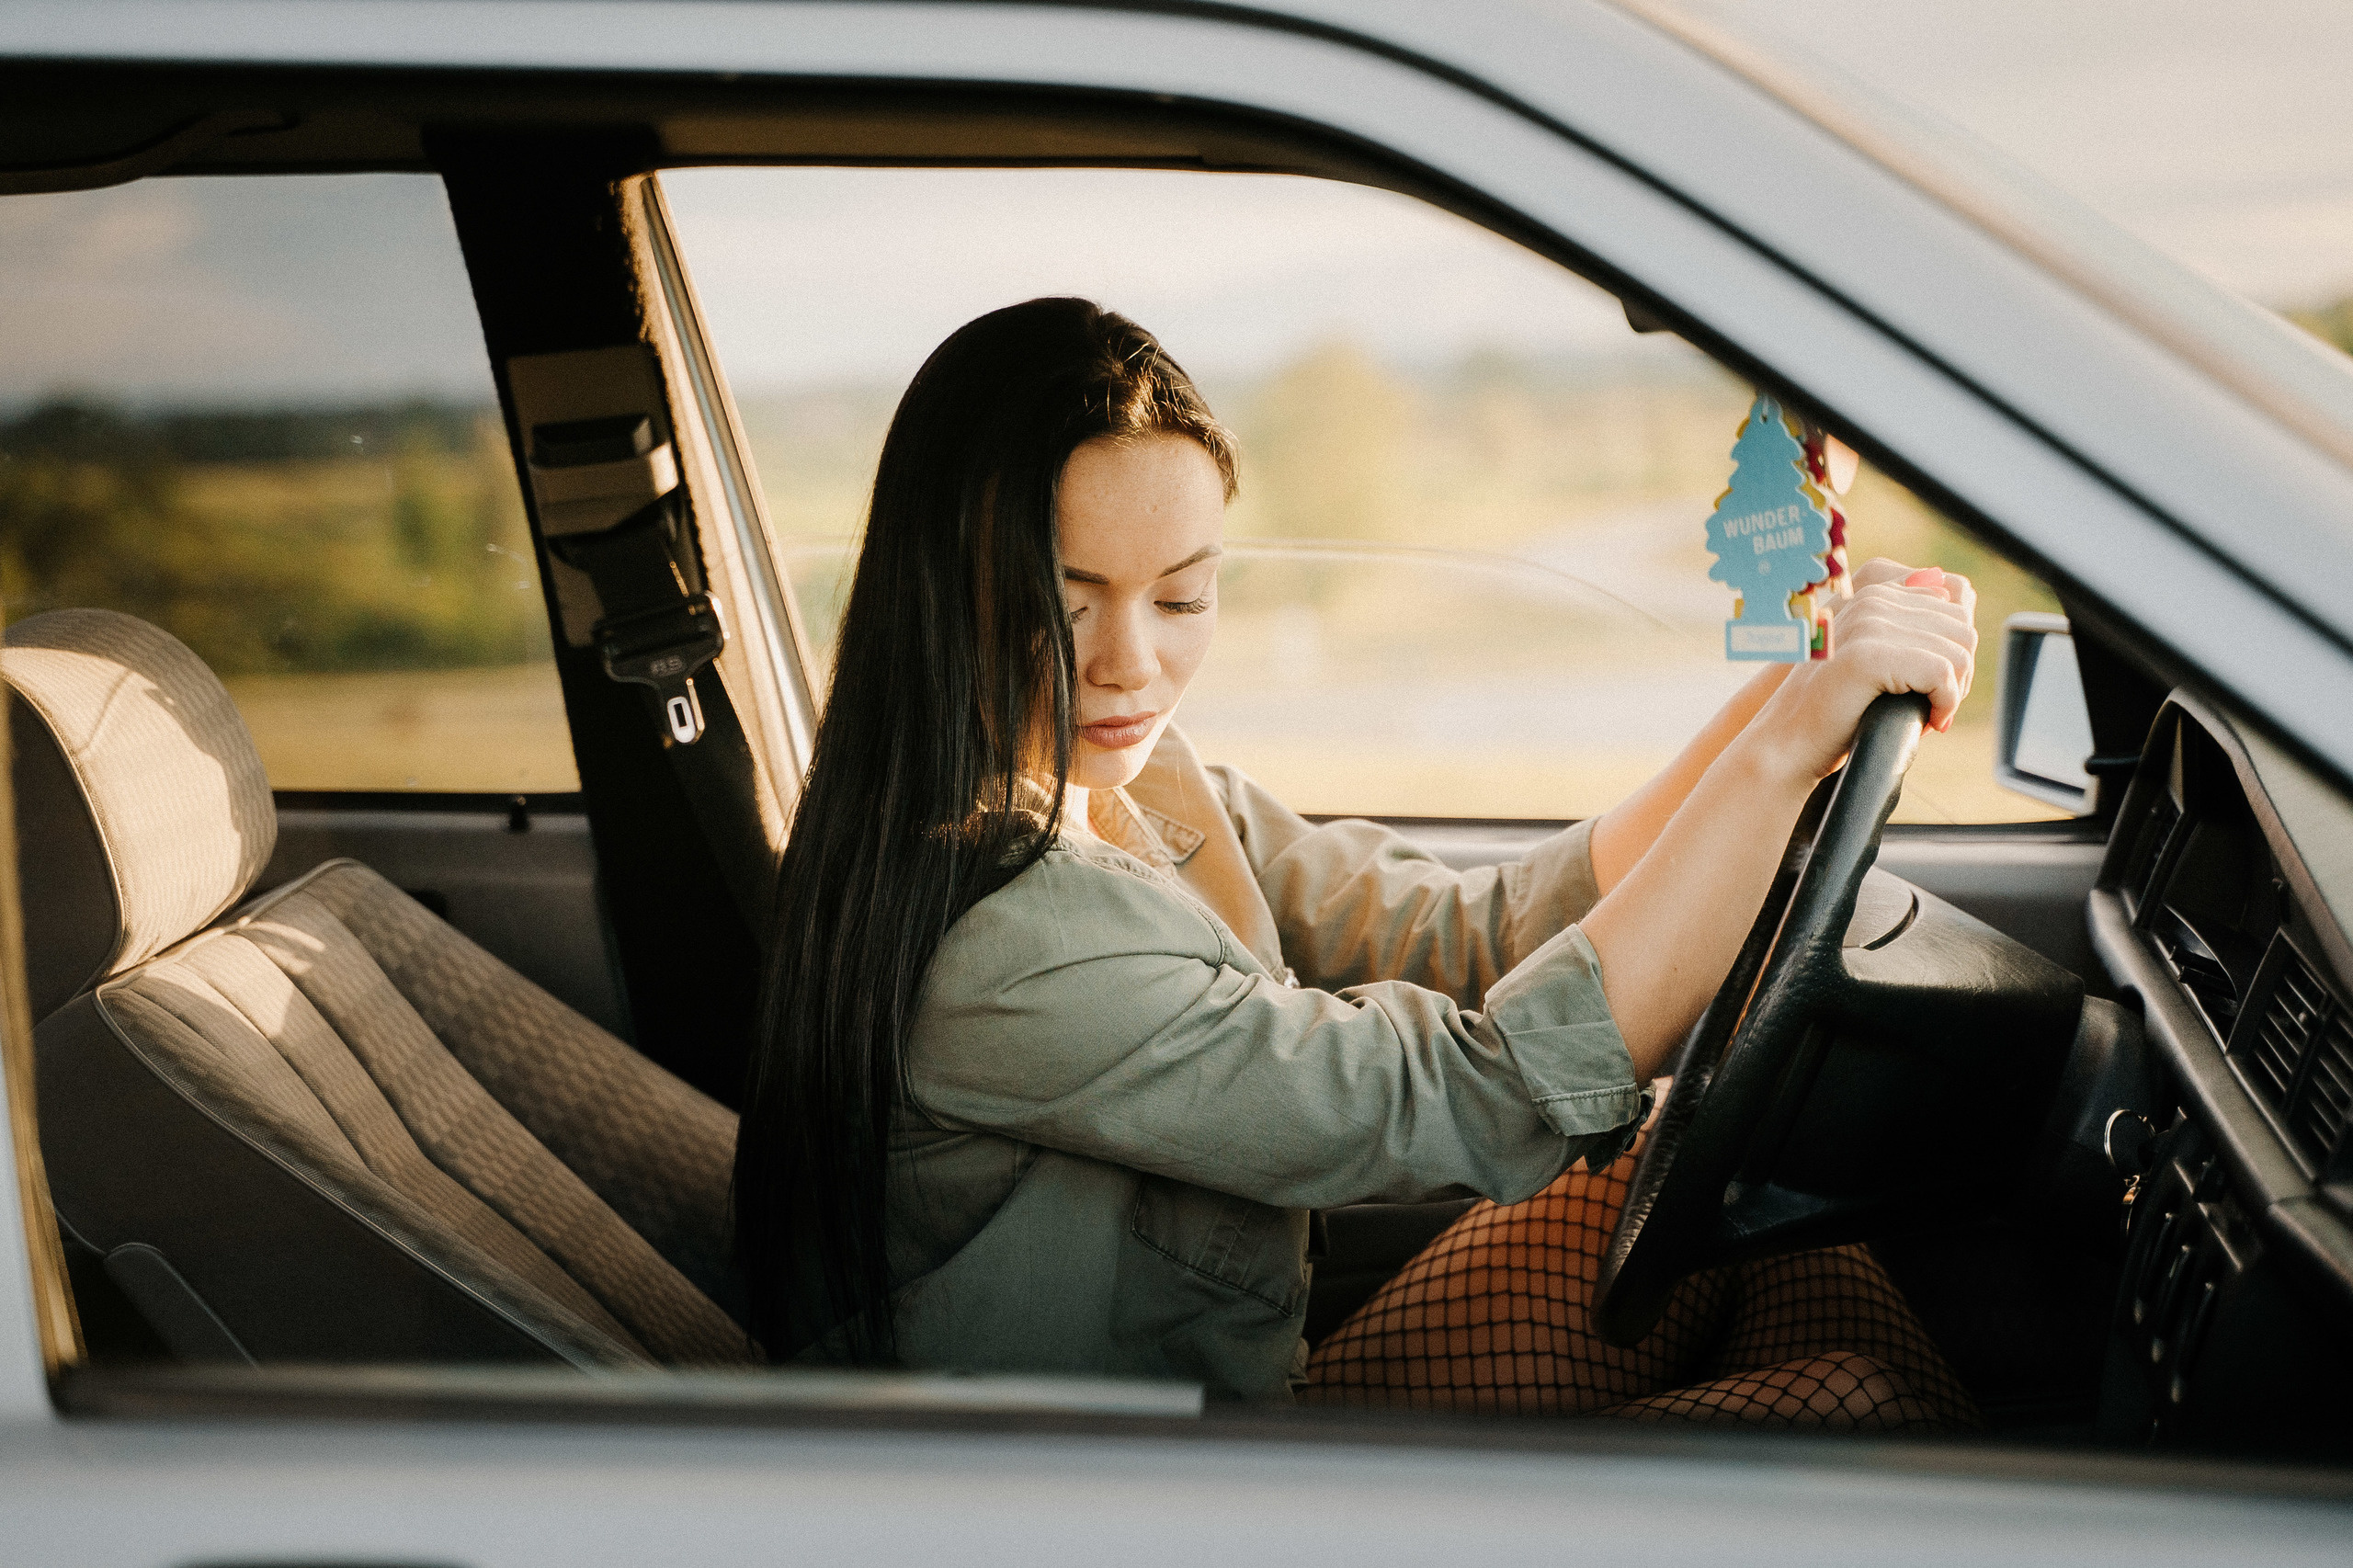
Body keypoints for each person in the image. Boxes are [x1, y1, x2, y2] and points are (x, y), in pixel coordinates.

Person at [735, 297, 1980, 1426]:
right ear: (943, 588)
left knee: (1770, 1212)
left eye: (1181, 599)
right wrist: (1777, 762)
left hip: (1244, 1388)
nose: (1130, 664)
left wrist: (1791, 703)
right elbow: (1475, 1094)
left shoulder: (1133, 785)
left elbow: (1474, 932)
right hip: (1124, 1499)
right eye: (1064, 600)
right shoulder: (1006, 937)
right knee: (1852, 1405)